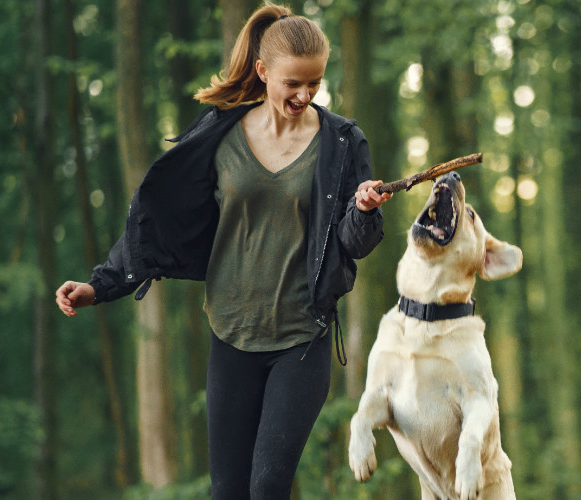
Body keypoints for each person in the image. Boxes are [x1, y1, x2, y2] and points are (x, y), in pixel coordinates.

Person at [54, 4, 393, 498]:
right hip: (231, 335)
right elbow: (157, 218)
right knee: (227, 490)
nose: (304, 95)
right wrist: (100, 285)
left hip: (302, 336)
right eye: (292, 83)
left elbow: (353, 245)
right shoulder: (219, 134)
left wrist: (363, 211)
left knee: (269, 485)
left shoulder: (342, 143)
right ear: (262, 71)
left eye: (314, 83)